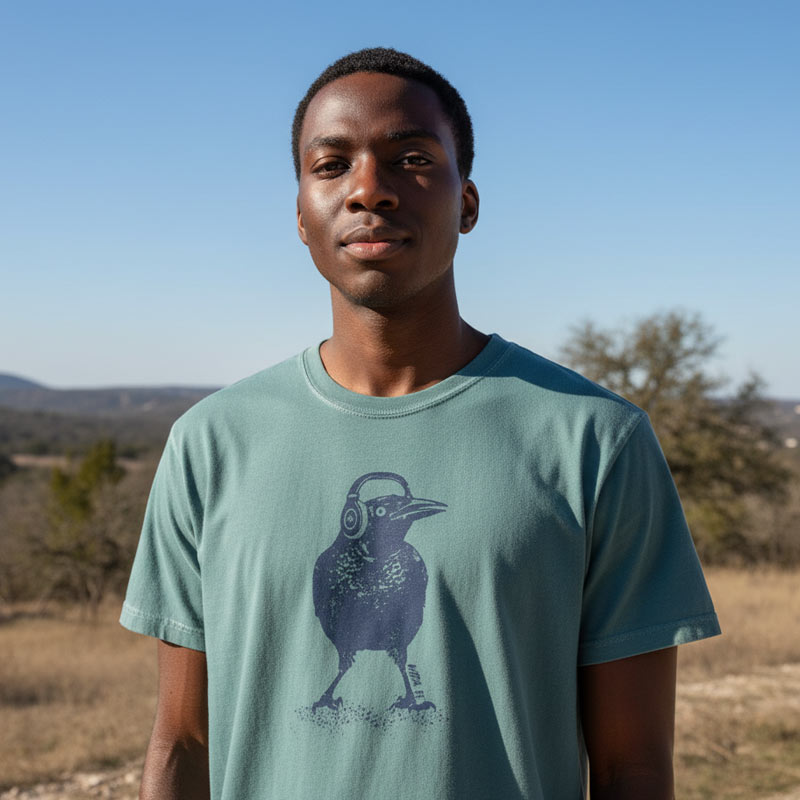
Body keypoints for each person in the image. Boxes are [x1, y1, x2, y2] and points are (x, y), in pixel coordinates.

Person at [120, 47, 721, 800]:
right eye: (332, 164)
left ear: (467, 203)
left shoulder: (594, 440)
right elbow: (184, 741)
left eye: (410, 159)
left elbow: (634, 765)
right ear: (302, 217)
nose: (369, 189)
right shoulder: (211, 444)